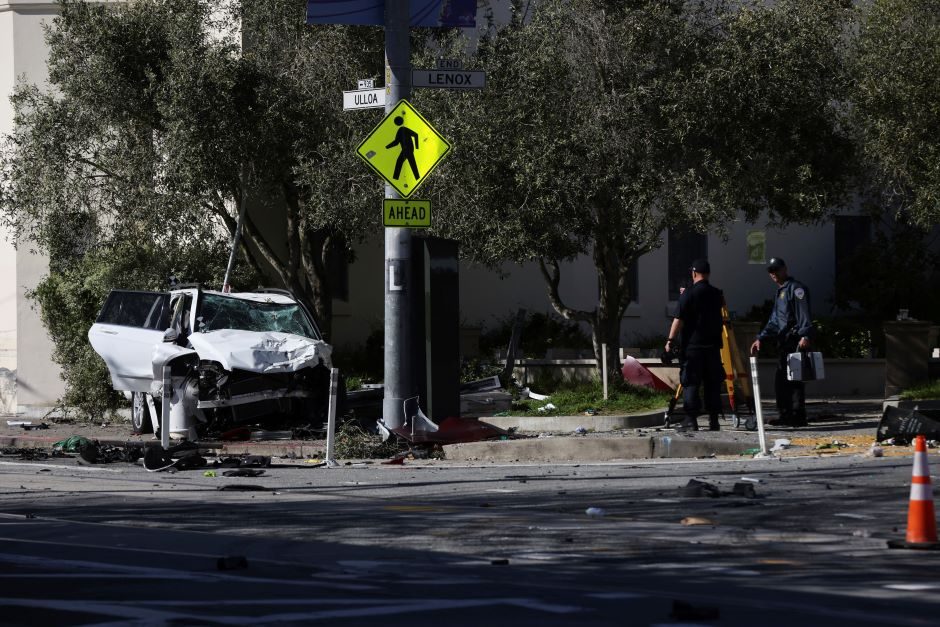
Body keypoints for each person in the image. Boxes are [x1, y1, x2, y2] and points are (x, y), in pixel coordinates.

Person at [749, 257, 814, 427]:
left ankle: (797, 416)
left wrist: (805, 335)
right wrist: (761, 337)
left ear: (785, 269)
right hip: (784, 342)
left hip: (795, 341)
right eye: (771, 272)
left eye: (776, 270)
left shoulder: (795, 289)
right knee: (782, 381)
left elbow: (803, 313)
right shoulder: (781, 291)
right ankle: (785, 414)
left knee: (794, 380)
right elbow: (775, 320)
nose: (774, 274)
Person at [665, 258, 726, 432]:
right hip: (713, 347)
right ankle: (714, 420)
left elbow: (678, 320)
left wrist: (670, 341)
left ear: (693, 273)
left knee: (691, 382)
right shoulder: (717, 294)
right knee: (712, 383)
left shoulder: (688, 294)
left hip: (693, 348)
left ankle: (691, 420)